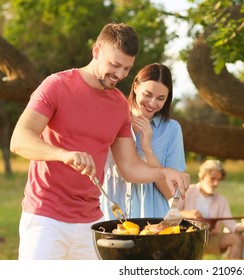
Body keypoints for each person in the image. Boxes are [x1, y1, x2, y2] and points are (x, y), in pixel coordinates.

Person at [10, 22, 190, 260]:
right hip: (46, 217)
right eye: (115, 64)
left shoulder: (118, 106)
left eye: (127, 68)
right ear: (96, 51)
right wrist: (64, 154)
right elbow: (19, 139)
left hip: (92, 222)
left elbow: (129, 167)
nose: (119, 74)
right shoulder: (57, 85)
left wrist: (165, 173)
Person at [101, 63, 186, 219]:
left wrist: (147, 149)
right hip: (110, 213)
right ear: (135, 87)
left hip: (151, 218)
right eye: (147, 94)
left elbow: (171, 193)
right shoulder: (111, 118)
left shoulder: (172, 129)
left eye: (161, 98)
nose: (153, 103)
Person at [178, 159, 244, 259]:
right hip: (185, 238)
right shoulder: (187, 191)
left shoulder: (221, 200)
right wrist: (187, 214)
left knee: (236, 239)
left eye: (218, 180)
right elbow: (168, 214)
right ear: (202, 176)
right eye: (212, 178)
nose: (216, 183)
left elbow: (232, 225)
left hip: (210, 239)